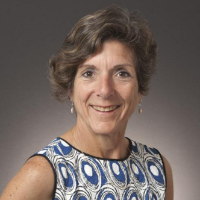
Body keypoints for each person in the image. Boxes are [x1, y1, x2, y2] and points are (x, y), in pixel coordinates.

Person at [0, 5, 173, 200]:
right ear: (70, 89)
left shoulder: (157, 168)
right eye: (89, 73)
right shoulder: (43, 173)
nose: (105, 90)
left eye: (121, 73)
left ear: (140, 90)